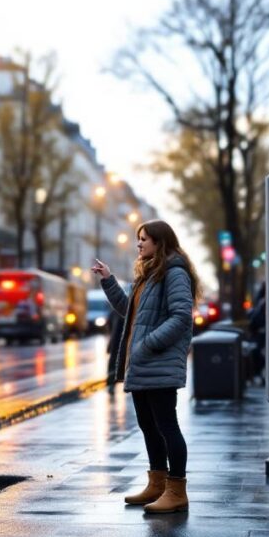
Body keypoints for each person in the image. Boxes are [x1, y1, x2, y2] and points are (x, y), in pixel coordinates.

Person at [91, 220, 198, 514]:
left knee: (167, 427)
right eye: (138, 239)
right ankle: (157, 483)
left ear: (160, 242)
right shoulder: (148, 275)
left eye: (144, 239)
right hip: (144, 365)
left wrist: (148, 343)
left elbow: (180, 318)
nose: (139, 243)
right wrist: (108, 280)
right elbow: (132, 313)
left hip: (158, 364)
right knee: (148, 426)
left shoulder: (174, 273)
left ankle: (176, 491)